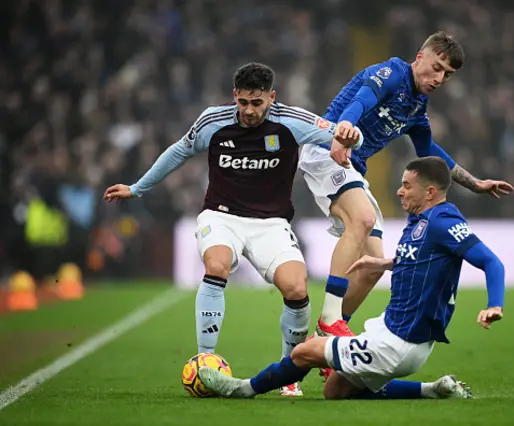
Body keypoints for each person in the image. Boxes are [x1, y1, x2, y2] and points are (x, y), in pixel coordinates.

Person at [103, 62, 363, 397]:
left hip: (271, 223)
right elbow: (180, 151)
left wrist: (350, 135)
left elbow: (341, 134)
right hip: (221, 216)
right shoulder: (214, 120)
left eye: (258, 103)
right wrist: (138, 187)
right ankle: (206, 360)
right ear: (234, 96)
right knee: (217, 266)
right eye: (243, 103)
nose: (250, 111)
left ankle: (289, 374)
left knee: (297, 289)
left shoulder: (293, 121)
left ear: (272, 97)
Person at [198, 156, 505, 400]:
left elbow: (492, 262)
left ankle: (240, 388)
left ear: (430, 192)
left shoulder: (443, 220)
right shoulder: (422, 221)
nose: (399, 191)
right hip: (400, 336)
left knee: (305, 351)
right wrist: (385, 263)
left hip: (399, 343)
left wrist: (494, 304)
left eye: (407, 185)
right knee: (337, 390)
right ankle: (434, 389)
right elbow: (427, 262)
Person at [299, 31, 513, 354]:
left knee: (371, 264)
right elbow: (360, 101)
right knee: (364, 218)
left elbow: (432, 153)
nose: (439, 78)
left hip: (350, 166)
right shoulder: (390, 73)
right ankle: (330, 317)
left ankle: (322, 339)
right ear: (420, 57)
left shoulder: (416, 107)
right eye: (437, 67)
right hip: (325, 149)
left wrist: (476, 184)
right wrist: (341, 135)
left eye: (448, 74)